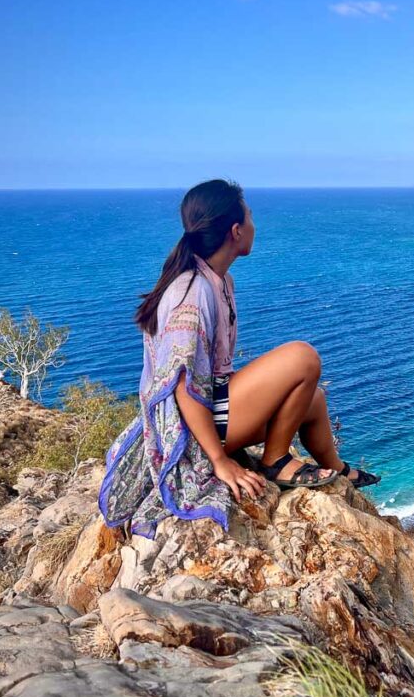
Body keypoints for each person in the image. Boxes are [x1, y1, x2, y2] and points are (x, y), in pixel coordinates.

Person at [98, 179, 380, 538]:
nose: (254, 225)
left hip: (212, 409)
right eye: (250, 216)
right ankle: (276, 461)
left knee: (313, 399)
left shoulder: (217, 279)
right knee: (303, 357)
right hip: (189, 431)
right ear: (235, 230)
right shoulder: (192, 291)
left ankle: (337, 469)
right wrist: (218, 461)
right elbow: (183, 387)